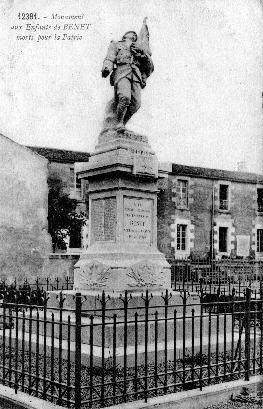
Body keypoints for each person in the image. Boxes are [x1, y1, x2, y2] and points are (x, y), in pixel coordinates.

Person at [101, 20, 154, 130]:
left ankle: (120, 123)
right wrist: (107, 68)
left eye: (135, 34)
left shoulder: (139, 48)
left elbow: (149, 65)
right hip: (122, 71)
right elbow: (110, 58)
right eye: (131, 33)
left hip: (136, 75)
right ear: (125, 35)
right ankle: (119, 123)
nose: (134, 34)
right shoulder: (116, 44)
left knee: (136, 104)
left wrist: (142, 54)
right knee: (124, 97)